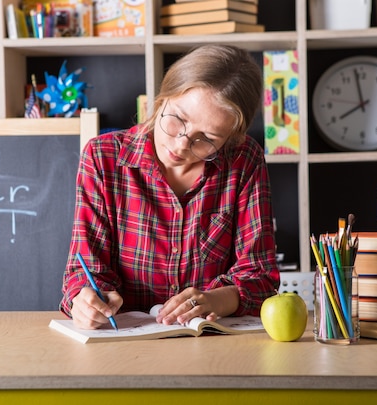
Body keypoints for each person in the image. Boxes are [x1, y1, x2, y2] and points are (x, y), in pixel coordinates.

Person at [60, 44, 280, 329]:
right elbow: (84, 270)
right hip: (122, 344)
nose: (181, 144)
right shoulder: (103, 158)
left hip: (211, 346)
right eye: (178, 119)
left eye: (208, 139)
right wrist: (84, 300)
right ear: (163, 97)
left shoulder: (243, 159)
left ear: (230, 138)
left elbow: (260, 277)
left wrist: (215, 300)